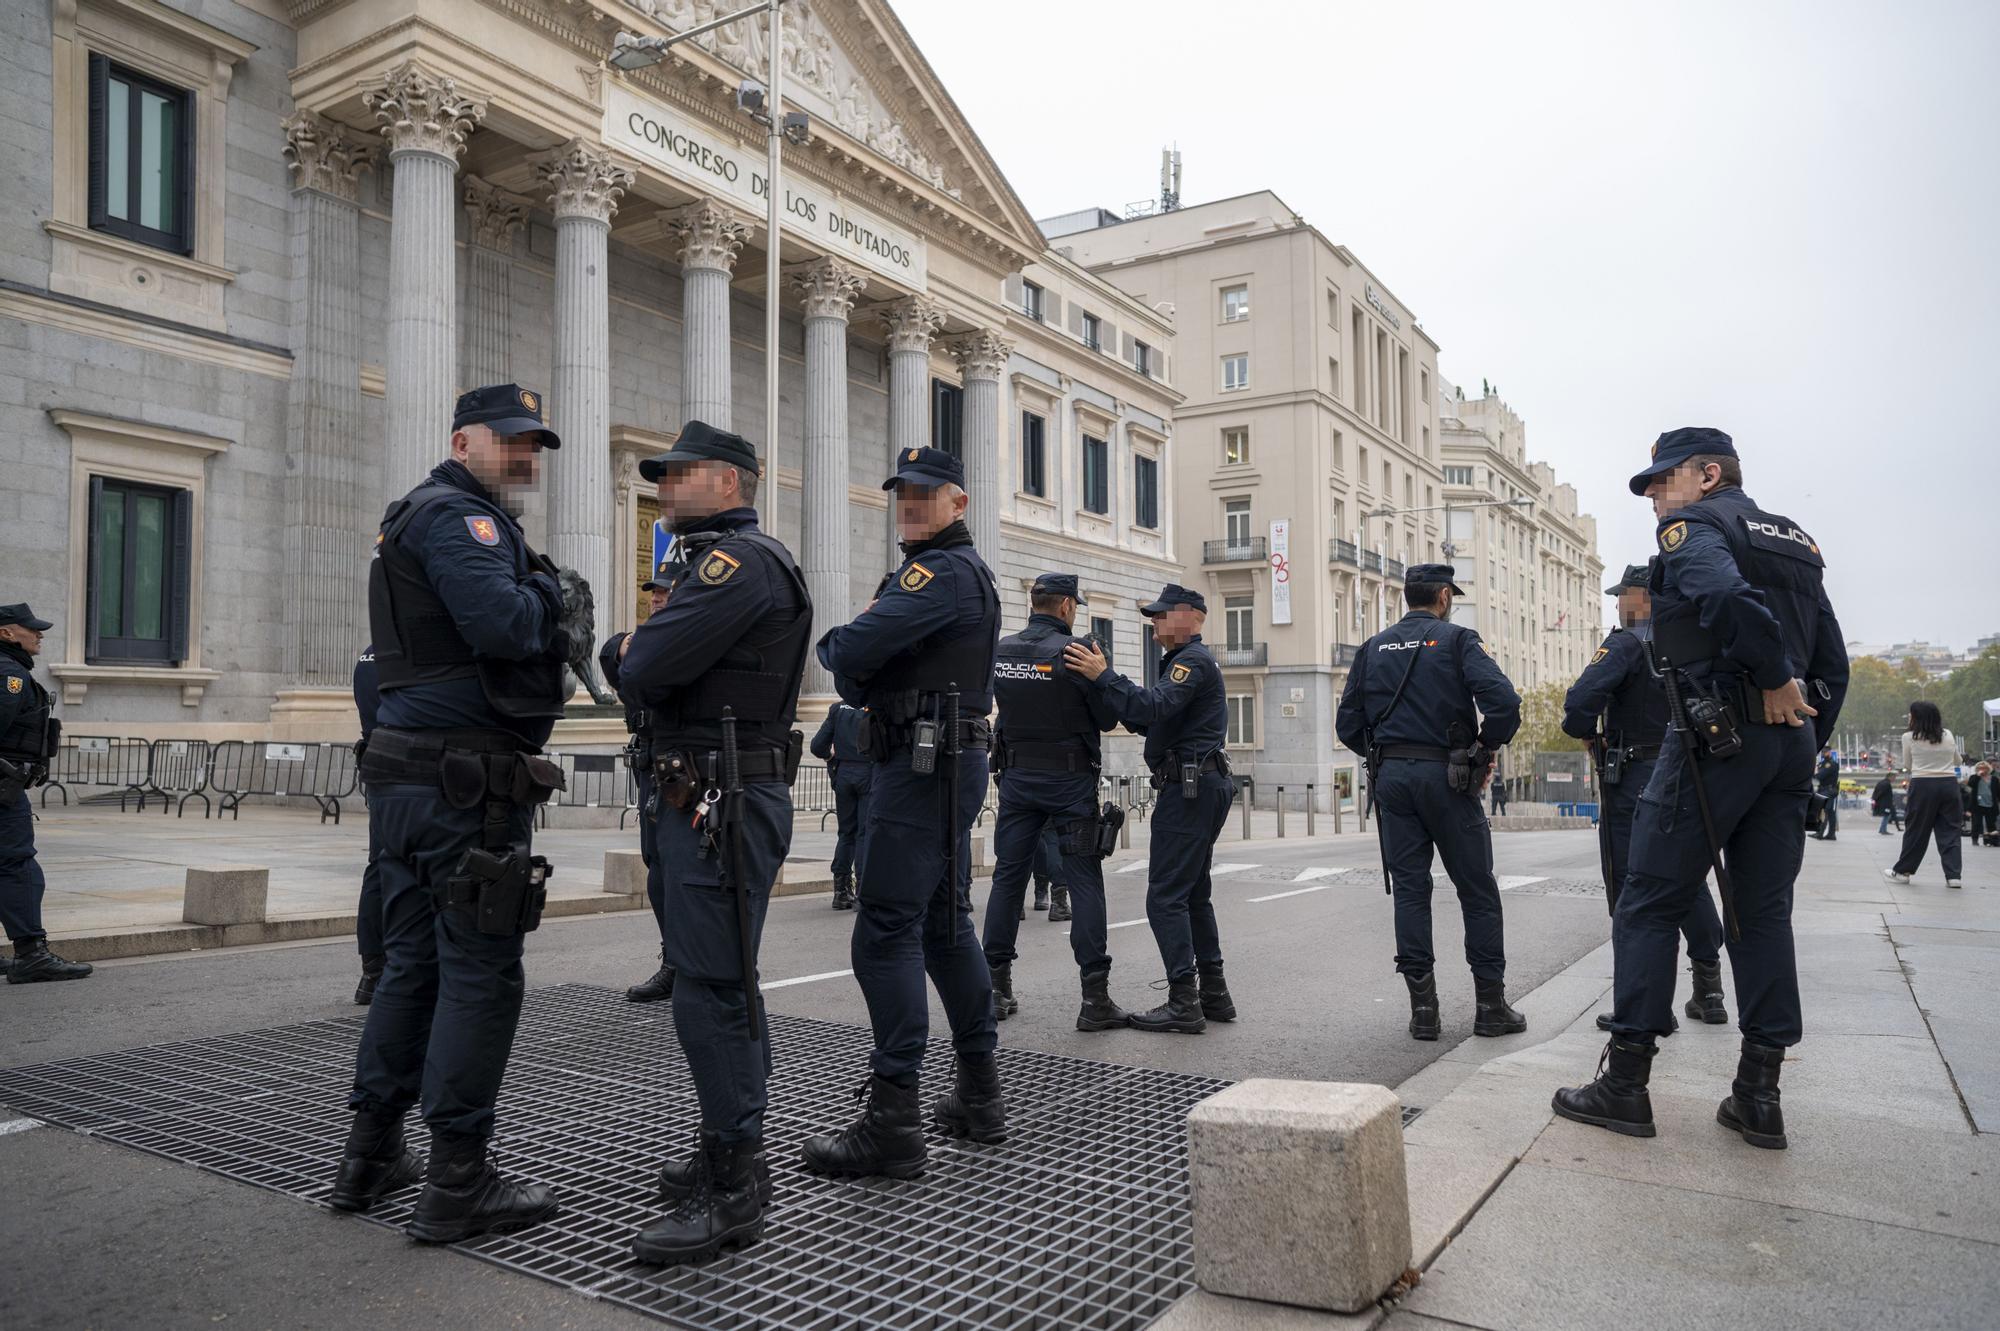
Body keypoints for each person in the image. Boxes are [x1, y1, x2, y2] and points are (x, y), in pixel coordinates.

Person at [1555, 427, 1848, 1151]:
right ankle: (1758, 1093)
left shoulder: (1698, 529)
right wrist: (1801, 730)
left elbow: (1720, 592)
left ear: (1708, 473)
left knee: (1649, 899)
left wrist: (1773, 678)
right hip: (1786, 746)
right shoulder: (1797, 541)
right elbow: (1834, 664)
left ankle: (1624, 1085)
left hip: (1718, 739)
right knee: (1761, 915)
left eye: (1664, 479)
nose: (1655, 495)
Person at [335, 383, 570, 1238]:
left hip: (411, 779)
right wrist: (554, 597)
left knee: (411, 967)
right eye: (509, 441)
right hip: (461, 788)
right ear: (462, 440)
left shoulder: (423, 513)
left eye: (534, 445)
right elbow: (504, 625)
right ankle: (460, 1178)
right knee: (478, 972)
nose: (524, 457)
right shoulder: (457, 517)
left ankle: (369, 1155)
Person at [616, 421, 813, 1265]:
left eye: (682, 473)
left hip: (721, 796)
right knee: (719, 978)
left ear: (732, 482)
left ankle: (734, 1185)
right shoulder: (703, 563)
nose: (666, 484)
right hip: (703, 789)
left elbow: (642, 666)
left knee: (712, 987)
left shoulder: (741, 563)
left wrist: (636, 646)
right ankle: (730, 1148)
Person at [806, 446, 1005, 1178]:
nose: (911, 505)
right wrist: (863, 658)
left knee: (883, 931)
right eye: (904, 494)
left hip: (922, 768)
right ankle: (979, 1096)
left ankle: (893, 1122)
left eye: (927, 494)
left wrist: (852, 643)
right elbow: (864, 666)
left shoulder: (937, 572)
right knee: (944, 927)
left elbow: (848, 650)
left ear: (959, 502)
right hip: (945, 762)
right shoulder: (957, 572)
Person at [1335, 565, 1525, 1043]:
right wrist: (1483, 750)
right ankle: (1489, 1007)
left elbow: (1347, 725)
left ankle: (1424, 1013)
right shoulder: (1458, 640)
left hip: (1392, 779)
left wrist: (1385, 756)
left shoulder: (1372, 647)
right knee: (1477, 890)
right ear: (1443, 596)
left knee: (1411, 890)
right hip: (1449, 777)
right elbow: (1504, 702)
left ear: (1407, 597)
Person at [1064, 584, 1238, 1034]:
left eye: (1161, 617)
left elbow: (1155, 706)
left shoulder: (1191, 663)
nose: (1155, 625)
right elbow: (1145, 717)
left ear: (1188, 617)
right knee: (1193, 892)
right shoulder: (1187, 663)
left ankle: (1185, 1001)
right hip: (1200, 783)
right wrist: (1107, 683)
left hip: (1190, 789)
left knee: (1164, 896)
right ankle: (1214, 994)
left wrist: (1105, 677)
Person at [1563, 564, 1725, 1034]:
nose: (1617, 603)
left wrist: (1586, 735)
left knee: (1632, 889)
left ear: (1641, 598)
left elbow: (1579, 704)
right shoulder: (1692, 642)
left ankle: (1645, 1002)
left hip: (1633, 777)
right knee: (1687, 881)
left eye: (1623, 595)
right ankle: (1709, 991)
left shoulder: (1626, 643)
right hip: (1687, 773)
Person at [981, 573, 1124, 1030]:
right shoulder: (1077, 652)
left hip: (1018, 778)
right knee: (1083, 882)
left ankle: (996, 988)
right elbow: (1105, 716)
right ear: (1065, 606)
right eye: (1075, 605)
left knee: (1008, 879)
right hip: (1069, 780)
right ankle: (1094, 998)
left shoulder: (1001, 650)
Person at [0, 604, 91, 984]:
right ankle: (31, 954)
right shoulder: (9, 675)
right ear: (7, 632)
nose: (39, 635)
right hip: (3, 791)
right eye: (31, 629)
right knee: (17, 865)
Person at [602, 574, 676, 1001]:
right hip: (651, 763)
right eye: (654, 597)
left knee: (684, 868)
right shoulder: (642, 641)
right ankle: (674, 961)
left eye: (666, 595)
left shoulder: (686, 639)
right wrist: (630, 642)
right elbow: (610, 657)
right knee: (656, 866)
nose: (657, 602)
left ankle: (699, 964)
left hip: (682, 764)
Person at [1883, 702, 1964, 889]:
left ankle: (1904, 871)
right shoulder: (1948, 734)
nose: (1909, 718)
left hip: (1923, 784)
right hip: (1949, 784)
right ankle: (1953, 876)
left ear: (1917, 717)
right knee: (1950, 830)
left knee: (1917, 829)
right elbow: (1957, 760)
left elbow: (1909, 764)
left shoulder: (1908, 737)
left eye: (1911, 715)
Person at [809, 702, 873, 910]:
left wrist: (830, 756)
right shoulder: (874, 708)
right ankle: (863, 892)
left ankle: (841, 891)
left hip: (844, 773)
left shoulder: (838, 710)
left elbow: (817, 745)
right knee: (864, 833)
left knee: (846, 833)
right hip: (869, 772)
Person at [352, 643, 384, 1004]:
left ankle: (372, 973)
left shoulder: (368, 655)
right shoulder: (409, 649)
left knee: (378, 866)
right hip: (408, 770)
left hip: (376, 765)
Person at [1966, 761, 1998, 845]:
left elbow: (1998, 792)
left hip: (1990, 803)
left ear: (1988, 769)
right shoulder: (1974, 777)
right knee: (1976, 823)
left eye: (1984, 768)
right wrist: (1978, 775)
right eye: (1980, 768)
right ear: (1977, 769)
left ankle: (1991, 840)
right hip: (1978, 804)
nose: (1982, 770)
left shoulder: (1994, 779)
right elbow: (1970, 784)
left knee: (1991, 824)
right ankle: (1975, 839)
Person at [1812, 748, 1840, 840]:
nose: (1823, 754)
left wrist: (1814, 773)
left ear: (1829, 753)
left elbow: (1820, 776)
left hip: (1828, 790)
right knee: (1830, 812)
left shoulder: (1831, 764)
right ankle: (1831, 834)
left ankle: (1820, 833)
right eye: (1823, 752)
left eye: (1825, 752)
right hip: (1824, 789)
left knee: (1824, 811)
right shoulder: (1822, 763)